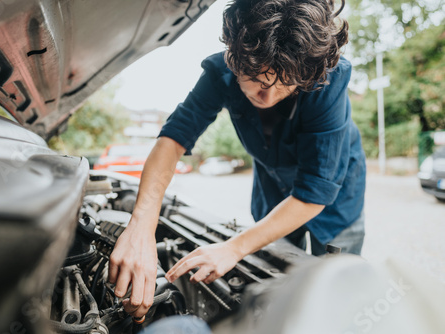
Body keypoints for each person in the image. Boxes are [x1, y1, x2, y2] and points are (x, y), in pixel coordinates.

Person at [108, 0, 366, 321]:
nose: (267, 98)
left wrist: (233, 248)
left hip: (337, 200)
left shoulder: (327, 77)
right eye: (256, 80)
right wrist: (141, 229)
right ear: (234, 54)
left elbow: (315, 191)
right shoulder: (221, 71)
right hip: (273, 192)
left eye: (286, 84)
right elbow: (172, 140)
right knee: (279, 279)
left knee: (334, 291)